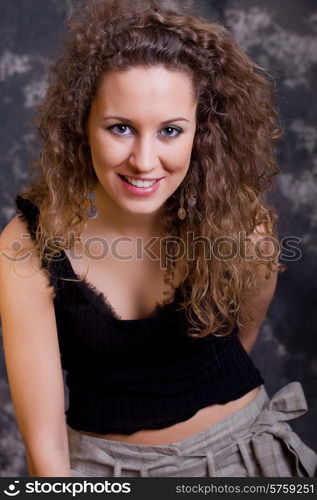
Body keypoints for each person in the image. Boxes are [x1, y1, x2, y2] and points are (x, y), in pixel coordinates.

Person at [0, 0, 316, 478]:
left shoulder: (240, 223)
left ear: (200, 132)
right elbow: (47, 458)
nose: (145, 161)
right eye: (121, 128)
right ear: (82, 126)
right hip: (102, 473)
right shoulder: (27, 246)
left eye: (170, 130)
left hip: (248, 460)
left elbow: (241, 336)